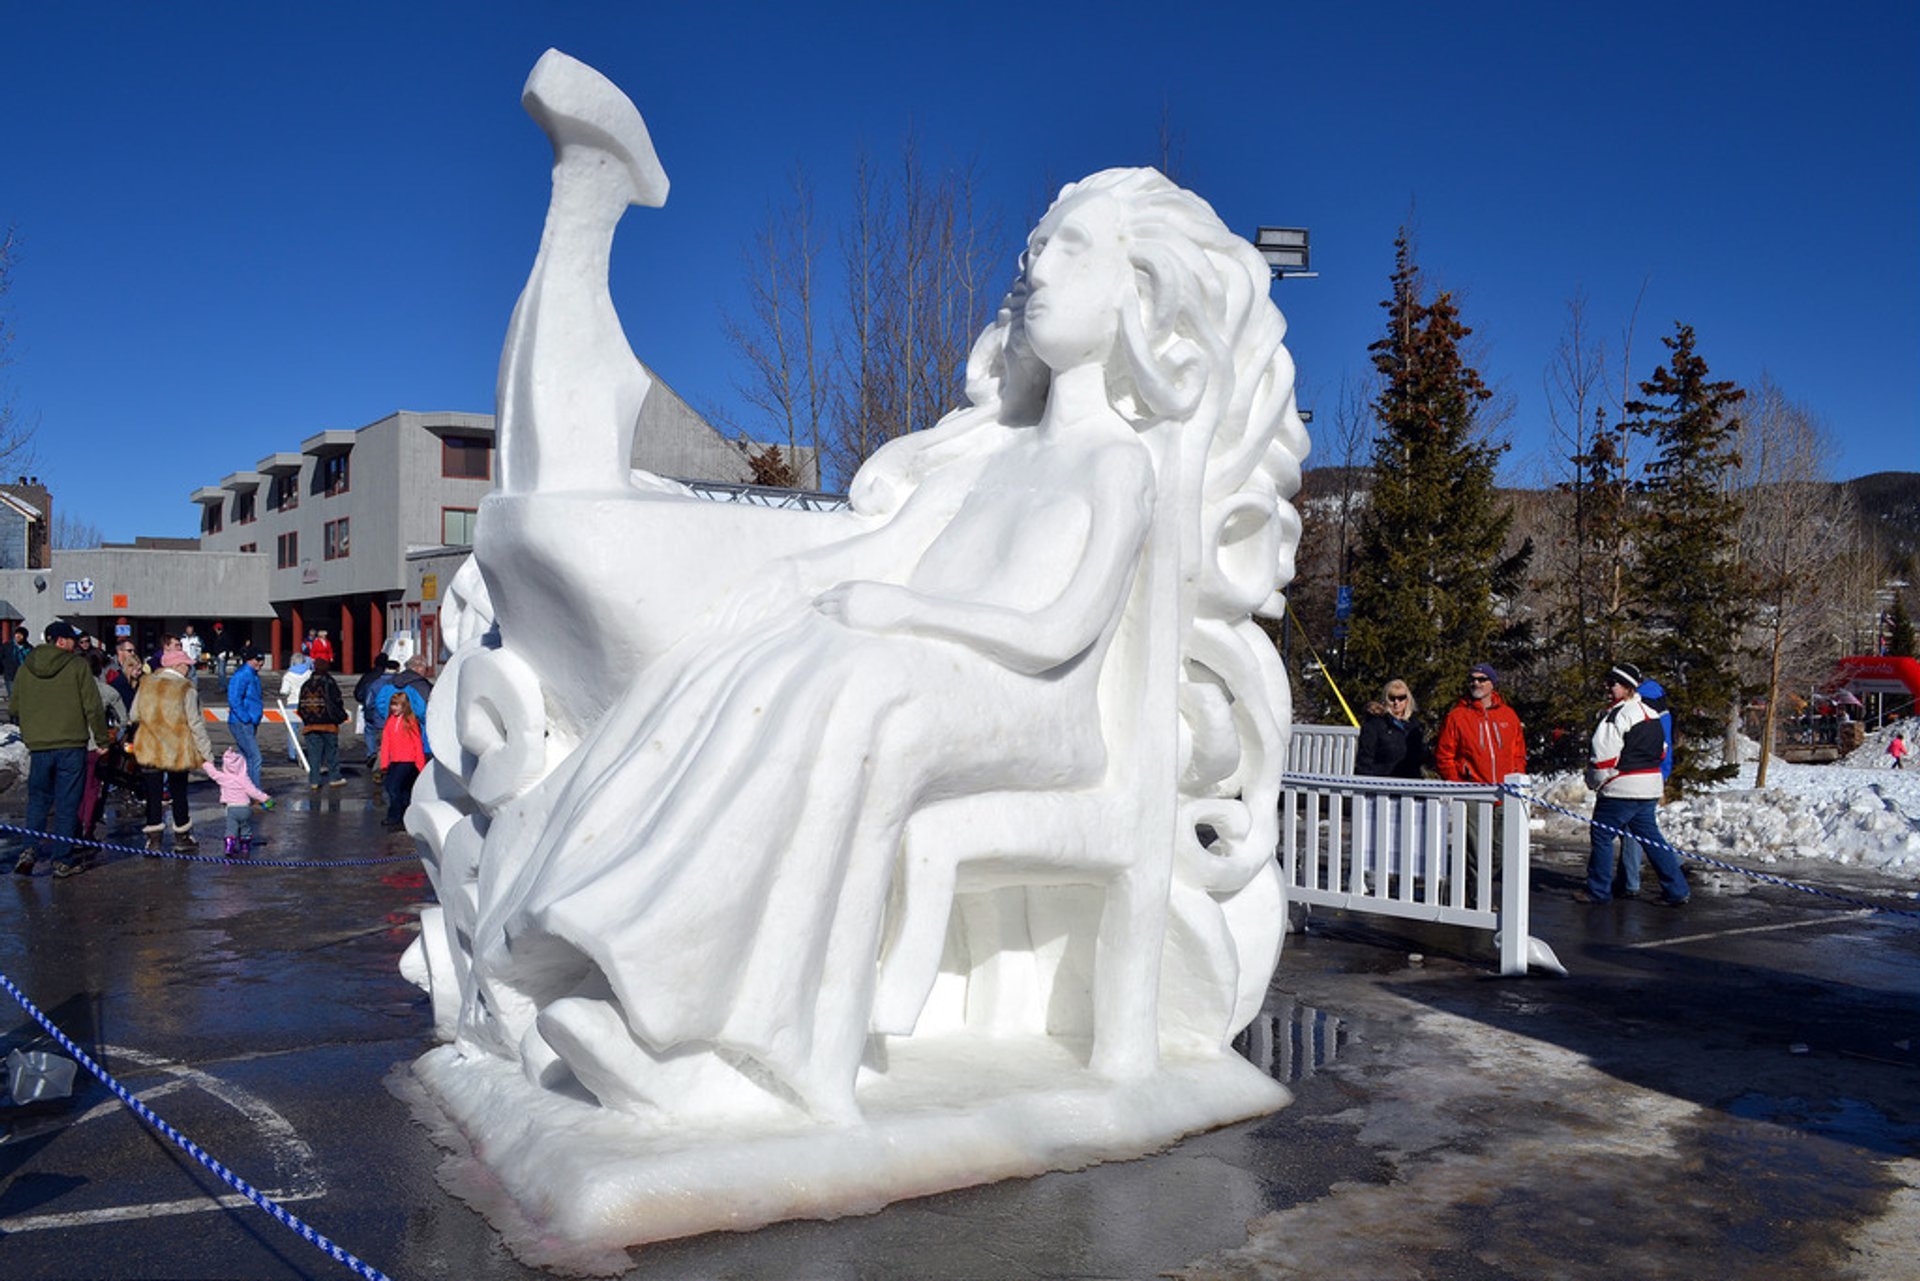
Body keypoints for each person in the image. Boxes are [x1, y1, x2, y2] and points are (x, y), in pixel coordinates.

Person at [471, 169, 1296, 1121]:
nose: (1034, 274)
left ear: (1136, 292)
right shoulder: (991, 457)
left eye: (1069, 250)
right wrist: (787, 589)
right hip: (939, 674)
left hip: (1045, 707)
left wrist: (905, 616)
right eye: (1031, 254)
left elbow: (1062, 629)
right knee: (768, 660)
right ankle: (643, 970)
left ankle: (790, 1053)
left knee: (863, 690)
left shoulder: (1118, 465)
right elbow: (890, 551)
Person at [1578, 662, 1689, 906]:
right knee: (1652, 839)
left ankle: (1598, 890)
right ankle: (1677, 889)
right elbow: (1662, 750)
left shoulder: (1616, 715)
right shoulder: (1649, 713)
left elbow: (1603, 758)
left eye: (1613, 684)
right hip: (1649, 786)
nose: (1608, 688)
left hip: (1621, 788)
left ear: (1628, 687)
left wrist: (1595, 782)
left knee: (1602, 836)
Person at [10, 621, 111, 876]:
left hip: (40, 745)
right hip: (71, 744)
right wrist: (102, 740)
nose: (75, 644)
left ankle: (29, 849)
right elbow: (93, 706)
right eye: (71, 640)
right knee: (67, 803)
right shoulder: (76, 666)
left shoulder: (25, 667)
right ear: (61, 641)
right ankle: (62, 860)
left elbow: (14, 708)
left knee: (38, 800)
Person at [1435, 662, 1527, 895]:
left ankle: (1468, 888)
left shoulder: (1508, 715)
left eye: (1481, 679)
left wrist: (1518, 777)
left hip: (1505, 792)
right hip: (1473, 792)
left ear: (1492, 684)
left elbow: (1518, 752)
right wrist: (1458, 784)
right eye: (1472, 679)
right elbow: (1445, 754)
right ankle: (1478, 897)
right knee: (1477, 850)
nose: (1476, 683)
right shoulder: (1458, 716)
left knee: (1501, 849)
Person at [128, 647, 213, 851]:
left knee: (153, 794)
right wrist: (206, 754)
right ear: (176, 666)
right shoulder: (186, 688)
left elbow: (133, 715)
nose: (188, 670)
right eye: (186, 665)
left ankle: (154, 839)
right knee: (179, 793)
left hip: (150, 747)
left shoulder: (146, 685)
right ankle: (182, 836)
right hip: (177, 749)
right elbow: (195, 723)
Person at [1613, 675, 1673, 897]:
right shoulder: (1661, 709)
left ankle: (1630, 882)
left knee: (1631, 829)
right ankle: (1672, 864)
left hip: (1640, 773)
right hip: (1654, 773)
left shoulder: (1641, 710)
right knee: (1643, 829)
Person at [202, 748, 273, 856]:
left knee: (231, 828)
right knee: (246, 827)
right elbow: (253, 791)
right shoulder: (244, 779)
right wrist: (265, 798)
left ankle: (229, 847)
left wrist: (205, 762)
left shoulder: (223, 778)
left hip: (231, 809)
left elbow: (212, 773)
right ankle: (245, 846)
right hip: (245, 808)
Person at [1355, 678, 1427, 779]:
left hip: (1411, 784)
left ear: (1407, 700)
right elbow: (1364, 761)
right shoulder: (1374, 724)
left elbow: (1421, 756)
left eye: (1401, 698)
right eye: (1392, 698)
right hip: (1383, 784)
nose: (1396, 702)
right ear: (1385, 699)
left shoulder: (1414, 725)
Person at [378, 687, 429, 829]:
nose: (393, 708)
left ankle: (394, 816)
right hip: (395, 760)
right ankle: (405, 815)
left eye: (397, 705)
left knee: (394, 788)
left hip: (408, 760)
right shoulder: (390, 721)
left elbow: (417, 743)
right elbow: (386, 743)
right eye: (392, 704)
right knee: (402, 789)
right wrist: (384, 762)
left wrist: (420, 765)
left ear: (404, 706)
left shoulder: (411, 721)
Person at [297, 657, 348, 788]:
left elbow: (301, 705)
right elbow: (336, 701)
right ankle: (334, 777)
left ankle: (314, 780)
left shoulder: (306, 684)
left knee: (314, 754)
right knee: (331, 752)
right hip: (328, 723)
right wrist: (339, 716)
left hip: (310, 724)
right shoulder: (329, 682)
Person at [227, 647, 267, 788]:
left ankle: (243, 789)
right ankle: (254, 791)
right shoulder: (242, 675)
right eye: (257, 660)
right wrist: (246, 718)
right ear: (249, 660)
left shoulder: (253, 675)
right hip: (242, 722)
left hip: (250, 721)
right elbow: (234, 699)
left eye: (262, 660)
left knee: (245, 758)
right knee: (255, 758)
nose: (260, 663)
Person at [356, 657, 399, 775]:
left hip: (375, 715)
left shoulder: (374, 681)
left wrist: (368, 711)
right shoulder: (398, 683)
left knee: (371, 733)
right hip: (392, 716)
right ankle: (383, 764)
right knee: (387, 742)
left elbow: (368, 700)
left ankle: (371, 753)